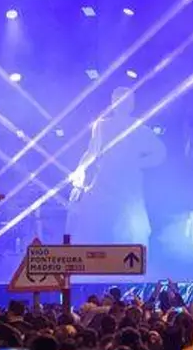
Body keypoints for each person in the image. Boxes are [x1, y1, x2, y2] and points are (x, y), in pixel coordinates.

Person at [68, 87, 166, 246]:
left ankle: (128, 258)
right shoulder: (102, 126)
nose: (122, 104)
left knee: (129, 231)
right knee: (95, 225)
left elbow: (160, 152)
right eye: (119, 100)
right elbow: (92, 152)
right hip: (105, 184)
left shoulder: (138, 127)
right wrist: (80, 169)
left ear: (131, 104)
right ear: (113, 103)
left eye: (126, 101)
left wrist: (136, 164)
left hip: (127, 186)